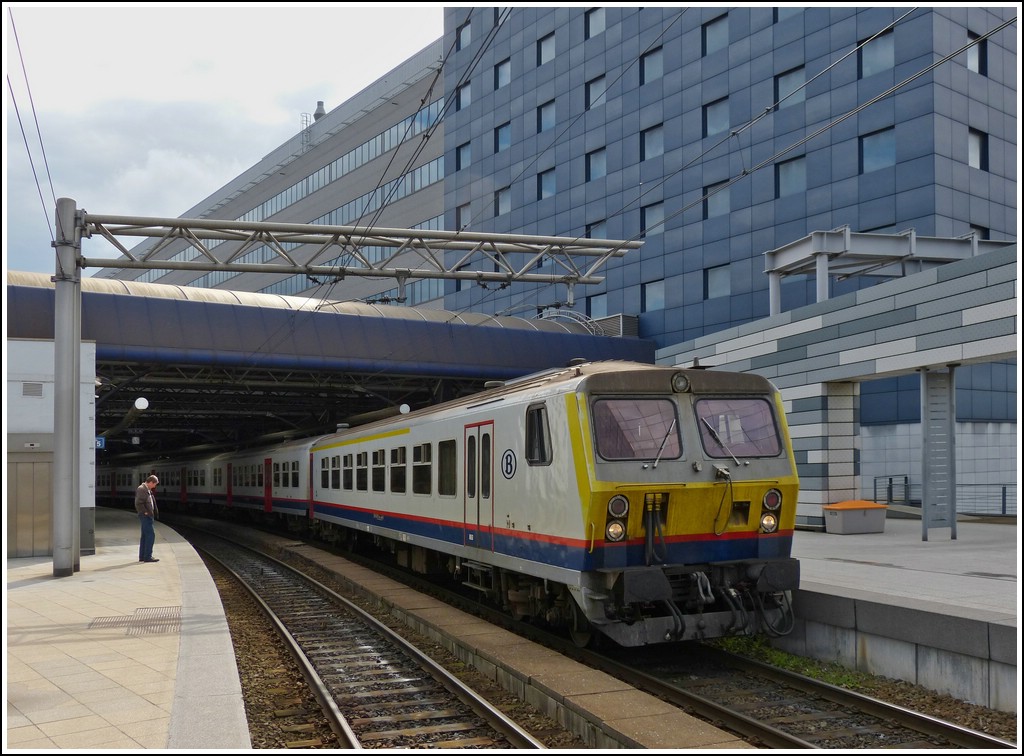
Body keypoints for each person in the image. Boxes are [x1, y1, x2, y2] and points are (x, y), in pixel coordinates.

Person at [135, 475, 160, 562]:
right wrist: (145, 512)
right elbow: (138, 503)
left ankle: (142, 556)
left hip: (147, 516)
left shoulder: (147, 489)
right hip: (145, 516)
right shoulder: (142, 489)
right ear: (150, 482)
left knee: (145, 536)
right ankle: (147, 556)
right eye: (154, 484)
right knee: (150, 535)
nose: (154, 486)